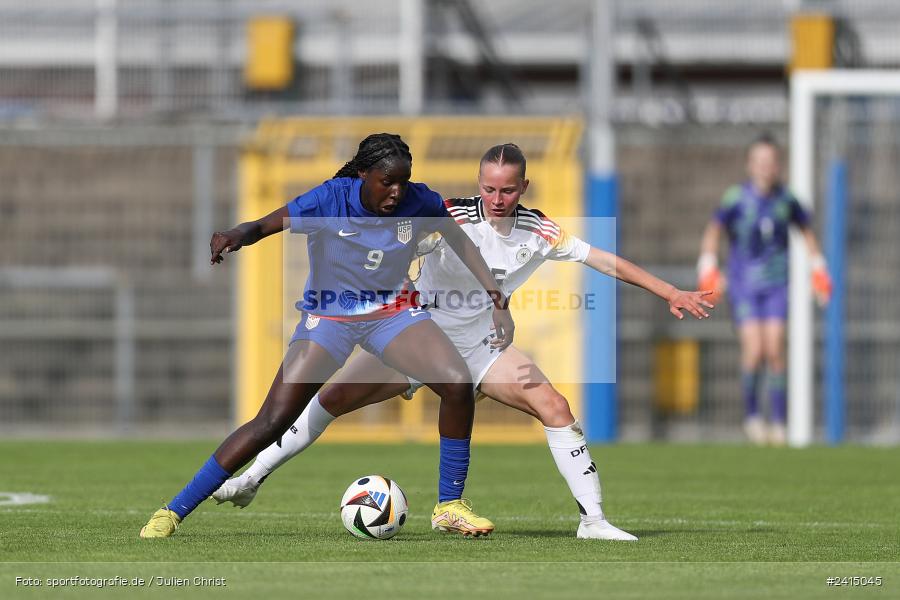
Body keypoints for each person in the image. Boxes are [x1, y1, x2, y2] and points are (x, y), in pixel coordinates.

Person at [213, 143, 714, 540]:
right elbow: (387, 240)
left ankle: (594, 521)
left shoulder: (541, 231)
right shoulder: (445, 216)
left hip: (483, 349)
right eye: (491, 188)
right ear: (480, 184)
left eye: (509, 190)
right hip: (419, 337)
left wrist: (669, 291)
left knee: (555, 405)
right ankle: (251, 480)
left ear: (523, 188)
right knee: (330, 399)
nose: (499, 198)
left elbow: (604, 260)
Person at [139, 133, 515, 538]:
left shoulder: (419, 201)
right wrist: (234, 235)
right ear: (362, 174)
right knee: (272, 421)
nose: (396, 191)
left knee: (457, 383)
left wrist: (498, 300)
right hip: (330, 318)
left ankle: (450, 506)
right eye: (386, 181)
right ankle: (173, 511)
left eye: (402, 181)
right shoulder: (330, 199)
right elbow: (265, 224)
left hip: (393, 314)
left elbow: (461, 241)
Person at [697, 133, 831, 446]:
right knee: (754, 350)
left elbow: (806, 231)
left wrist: (818, 269)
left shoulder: (787, 200)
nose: (765, 167)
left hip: (776, 285)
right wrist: (708, 265)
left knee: (775, 348)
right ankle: (753, 417)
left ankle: (780, 423)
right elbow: (714, 230)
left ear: (778, 165)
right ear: (749, 165)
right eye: (759, 161)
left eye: (770, 162)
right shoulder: (736, 198)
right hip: (743, 285)